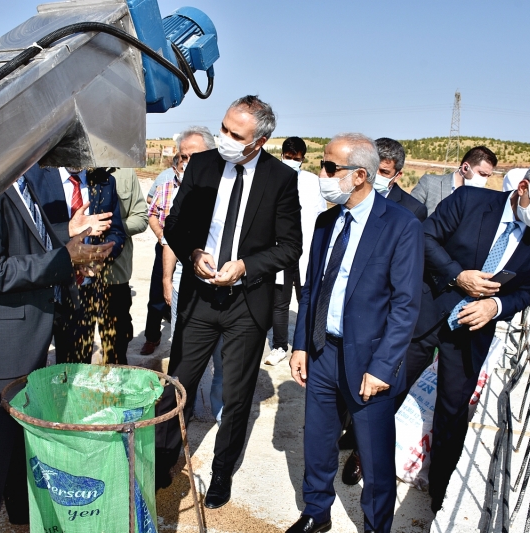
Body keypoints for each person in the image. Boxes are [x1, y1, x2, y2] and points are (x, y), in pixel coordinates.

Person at [0, 170, 113, 532]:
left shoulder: (18, 181)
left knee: (16, 442)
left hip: (21, 337)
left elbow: (28, 240)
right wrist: (68, 257)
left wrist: (68, 234)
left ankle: (21, 514)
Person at [155, 95, 302, 508]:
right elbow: (176, 224)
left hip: (246, 304)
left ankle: (222, 473)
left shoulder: (279, 179)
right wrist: (194, 255)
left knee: (237, 397)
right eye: (223, 128)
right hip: (201, 300)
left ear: (260, 141)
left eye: (235, 135)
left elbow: (291, 247)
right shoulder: (202, 166)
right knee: (176, 385)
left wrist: (246, 266)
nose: (224, 139)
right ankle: (159, 462)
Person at [405, 160, 530, 513]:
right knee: (391, 384)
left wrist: (495, 306)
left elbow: (525, 292)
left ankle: (439, 492)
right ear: (524, 188)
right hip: (428, 312)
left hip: (471, 332)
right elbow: (425, 237)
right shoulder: (469, 201)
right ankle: (362, 450)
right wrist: (458, 276)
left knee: (452, 413)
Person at [286, 133, 423, 533]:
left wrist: (383, 367)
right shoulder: (327, 220)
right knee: (318, 439)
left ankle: (376, 526)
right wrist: (300, 345)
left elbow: (405, 306)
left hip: (370, 361)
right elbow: (311, 288)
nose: (321, 175)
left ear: (360, 175)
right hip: (322, 351)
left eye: (329, 168)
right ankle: (316, 512)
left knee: (374, 455)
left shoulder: (401, 226)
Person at [341, 137, 427, 486]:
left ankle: (363, 455)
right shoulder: (346, 199)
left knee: (374, 401)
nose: (377, 176)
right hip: (345, 319)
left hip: (381, 324)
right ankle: (349, 433)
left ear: (397, 175)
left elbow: (405, 285)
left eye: (385, 172)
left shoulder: (411, 212)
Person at [26, 164, 126, 363]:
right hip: (42, 288)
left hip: (83, 291)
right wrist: (68, 243)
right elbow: (28, 232)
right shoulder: (33, 176)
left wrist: (98, 256)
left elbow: (116, 231)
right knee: (33, 369)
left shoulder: (104, 181)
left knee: (75, 367)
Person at [158, 127, 225, 422]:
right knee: (183, 357)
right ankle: (182, 415)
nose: (187, 163)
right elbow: (172, 237)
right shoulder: (178, 191)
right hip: (189, 288)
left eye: (193, 156)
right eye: (182, 157)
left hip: (226, 290)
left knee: (224, 361)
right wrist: (166, 278)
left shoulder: (229, 189)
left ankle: (222, 415)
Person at [266, 136, 327, 366]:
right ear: (282, 155)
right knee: (280, 302)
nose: (292, 161)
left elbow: (320, 215)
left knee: (306, 299)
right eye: (289, 157)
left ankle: (307, 345)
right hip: (281, 249)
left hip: (306, 251)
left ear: (303, 159)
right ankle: (280, 346)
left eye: (297, 159)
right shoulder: (272, 178)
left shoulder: (313, 182)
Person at [102, 168, 149, 364]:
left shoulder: (124, 173)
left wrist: (112, 230)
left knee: (117, 341)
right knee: (77, 343)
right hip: (77, 276)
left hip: (115, 274)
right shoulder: (69, 169)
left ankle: (116, 385)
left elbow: (141, 218)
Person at [410, 145, 498, 216]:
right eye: (482, 174)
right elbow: (408, 217)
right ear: (465, 168)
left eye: (488, 176)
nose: (484, 179)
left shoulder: (480, 200)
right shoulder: (429, 183)